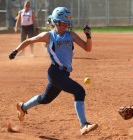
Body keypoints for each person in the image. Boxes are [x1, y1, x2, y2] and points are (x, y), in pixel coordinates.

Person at [9, 7, 98, 135]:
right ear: (56, 22)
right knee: (79, 91)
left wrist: (88, 36)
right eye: (63, 22)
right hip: (55, 73)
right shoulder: (48, 36)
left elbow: (87, 48)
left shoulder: (71, 35)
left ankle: (22, 107)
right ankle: (83, 124)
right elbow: (29, 40)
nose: (66, 25)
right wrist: (16, 51)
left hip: (63, 74)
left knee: (45, 99)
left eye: (67, 23)